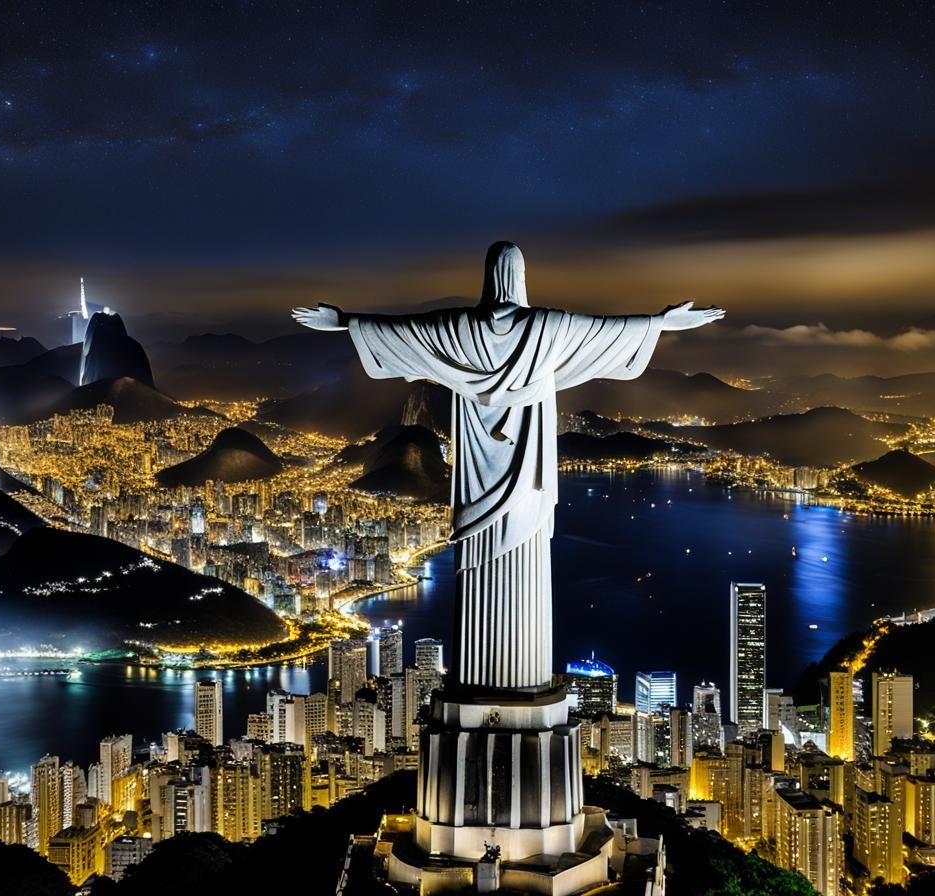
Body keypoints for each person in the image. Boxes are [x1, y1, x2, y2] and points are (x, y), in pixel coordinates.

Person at [293, 241, 724, 691]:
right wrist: (661, 321)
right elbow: (608, 331)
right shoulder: (546, 328)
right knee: (527, 575)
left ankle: (480, 682)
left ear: (487, 275)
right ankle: (521, 681)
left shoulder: (458, 330)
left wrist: (345, 322)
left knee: (478, 574)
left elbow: (402, 332)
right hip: (528, 488)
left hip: (474, 489)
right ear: (520, 277)